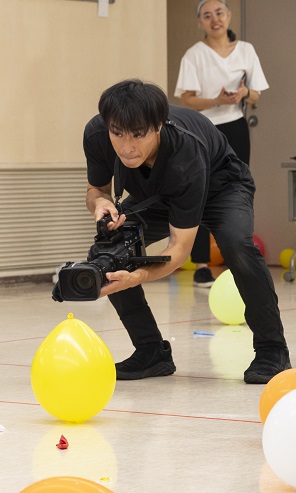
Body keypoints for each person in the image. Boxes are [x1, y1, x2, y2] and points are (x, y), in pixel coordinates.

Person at [83, 79, 290, 384]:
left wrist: (138, 275)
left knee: (237, 245)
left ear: (158, 126)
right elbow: (96, 189)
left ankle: (272, 349)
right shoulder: (97, 134)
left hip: (222, 186)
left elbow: (180, 248)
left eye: (138, 135)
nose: (127, 147)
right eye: (118, 133)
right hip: (159, 195)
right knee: (108, 252)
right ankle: (151, 352)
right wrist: (99, 203)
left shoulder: (185, 152)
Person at [174, 0, 268, 288]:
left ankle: (238, 260)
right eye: (207, 15)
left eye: (219, 13)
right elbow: (186, 99)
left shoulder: (246, 50)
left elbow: (257, 96)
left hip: (236, 126)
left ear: (228, 16)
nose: (214, 19)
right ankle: (202, 264)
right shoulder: (194, 55)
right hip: (203, 129)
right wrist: (216, 99)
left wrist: (243, 93)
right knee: (201, 191)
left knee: (238, 188)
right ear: (200, 22)